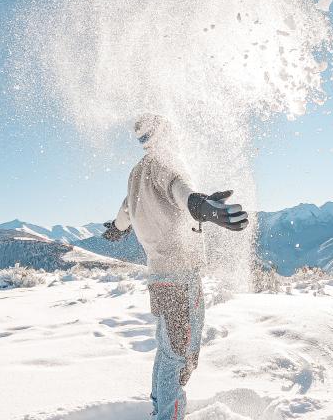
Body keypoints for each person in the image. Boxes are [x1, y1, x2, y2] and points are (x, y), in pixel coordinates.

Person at [102, 113, 248, 419]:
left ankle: (159, 408)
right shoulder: (166, 162)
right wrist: (202, 206)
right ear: (164, 132)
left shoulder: (136, 172)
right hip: (181, 277)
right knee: (180, 356)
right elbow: (180, 191)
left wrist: (117, 228)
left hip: (158, 278)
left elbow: (126, 210)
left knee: (167, 350)